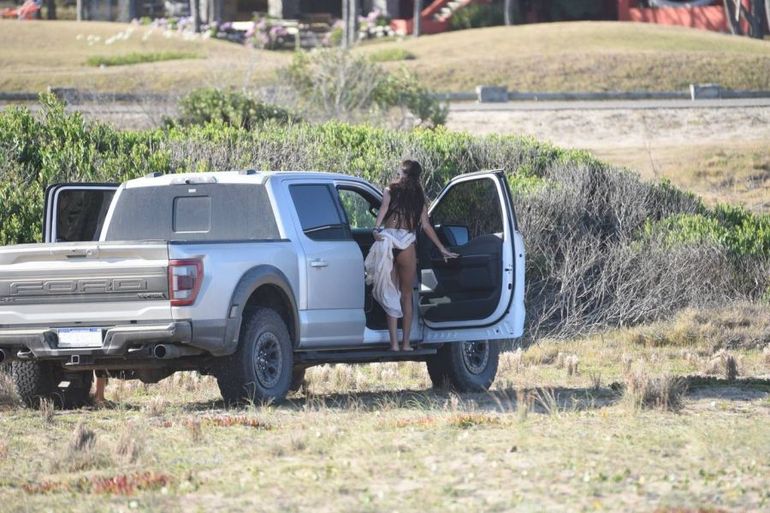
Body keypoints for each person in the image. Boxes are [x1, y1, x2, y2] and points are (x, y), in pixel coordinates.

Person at [364, 160, 458, 352]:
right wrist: (441, 247)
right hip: (407, 242)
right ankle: (406, 344)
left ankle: (394, 345)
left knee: (391, 292)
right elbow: (426, 226)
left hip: (388, 240)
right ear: (418, 176)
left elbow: (383, 209)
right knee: (406, 295)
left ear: (402, 172)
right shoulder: (419, 198)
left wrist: (376, 229)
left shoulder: (390, 190)